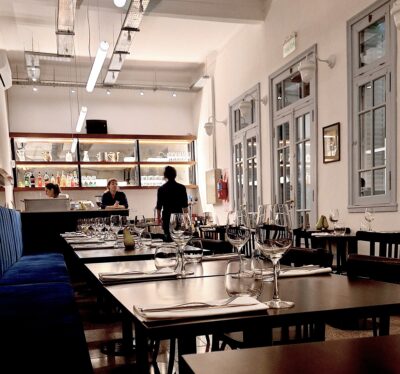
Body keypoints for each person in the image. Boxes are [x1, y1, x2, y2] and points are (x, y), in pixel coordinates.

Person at [156, 166, 188, 241]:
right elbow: (185, 207)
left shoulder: (161, 189)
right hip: (178, 217)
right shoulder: (182, 188)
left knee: (168, 238)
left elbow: (159, 207)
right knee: (178, 238)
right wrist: (186, 221)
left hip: (167, 217)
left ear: (165, 175)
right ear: (175, 175)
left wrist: (159, 219)